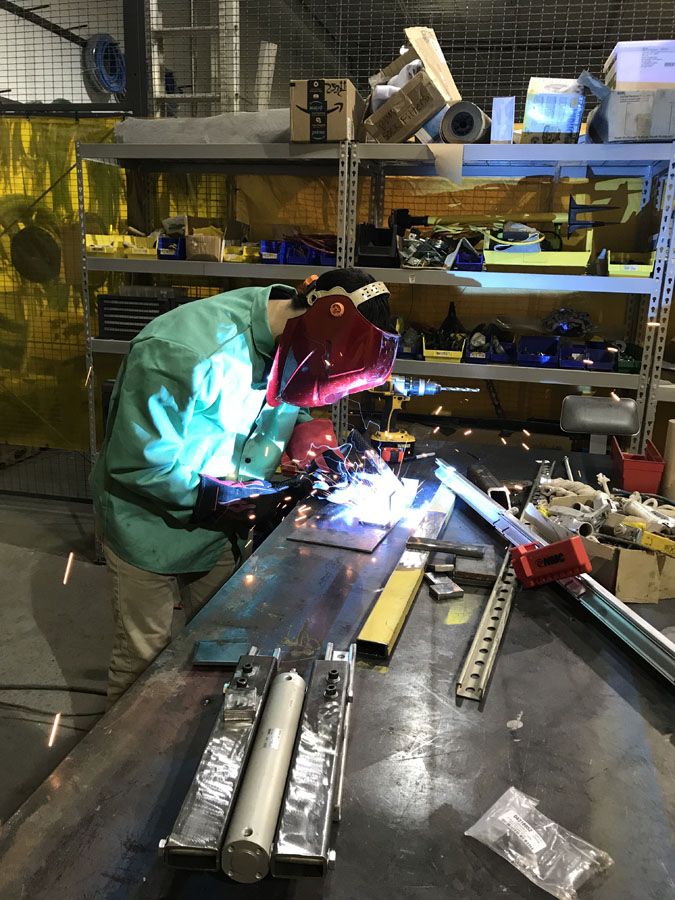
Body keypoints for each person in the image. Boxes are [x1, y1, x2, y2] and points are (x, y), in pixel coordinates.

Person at [91, 268, 396, 703]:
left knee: (221, 646)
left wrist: (312, 439)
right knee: (144, 659)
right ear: (319, 312)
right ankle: (115, 765)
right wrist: (224, 498)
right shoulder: (183, 351)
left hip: (220, 531)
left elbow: (296, 404)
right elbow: (136, 464)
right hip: (145, 524)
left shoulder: (299, 345)